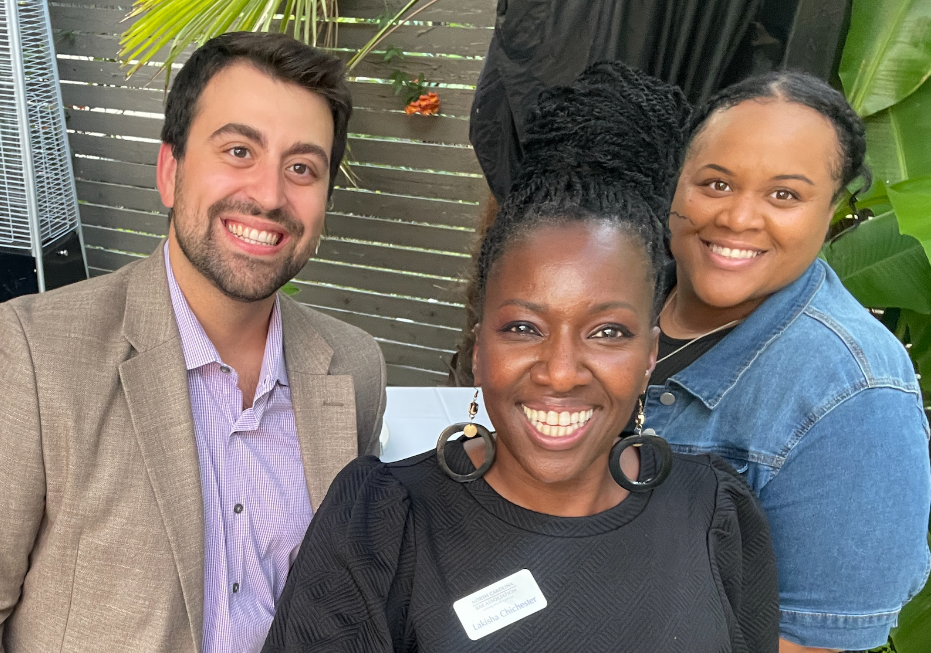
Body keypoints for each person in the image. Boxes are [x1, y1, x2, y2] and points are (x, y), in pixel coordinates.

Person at [262, 62, 779, 653]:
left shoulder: (715, 515)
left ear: (649, 356)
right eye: (525, 327)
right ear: (479, 349)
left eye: (608, 332)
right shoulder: (385, 524)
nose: (560, 371)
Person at [0, 32, 386, 653]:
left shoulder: (354, 369)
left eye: (302, 168)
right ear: (171, 171)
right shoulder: (35, 356)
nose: (270, 195)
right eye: (239, 150)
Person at [647, 71, 931, 652]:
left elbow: (812, 645)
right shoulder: (619, 293)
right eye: (716, 183)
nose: (738, 218)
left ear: (832, 211)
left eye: (785, 195)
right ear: (676, 184)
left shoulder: (855, 393)